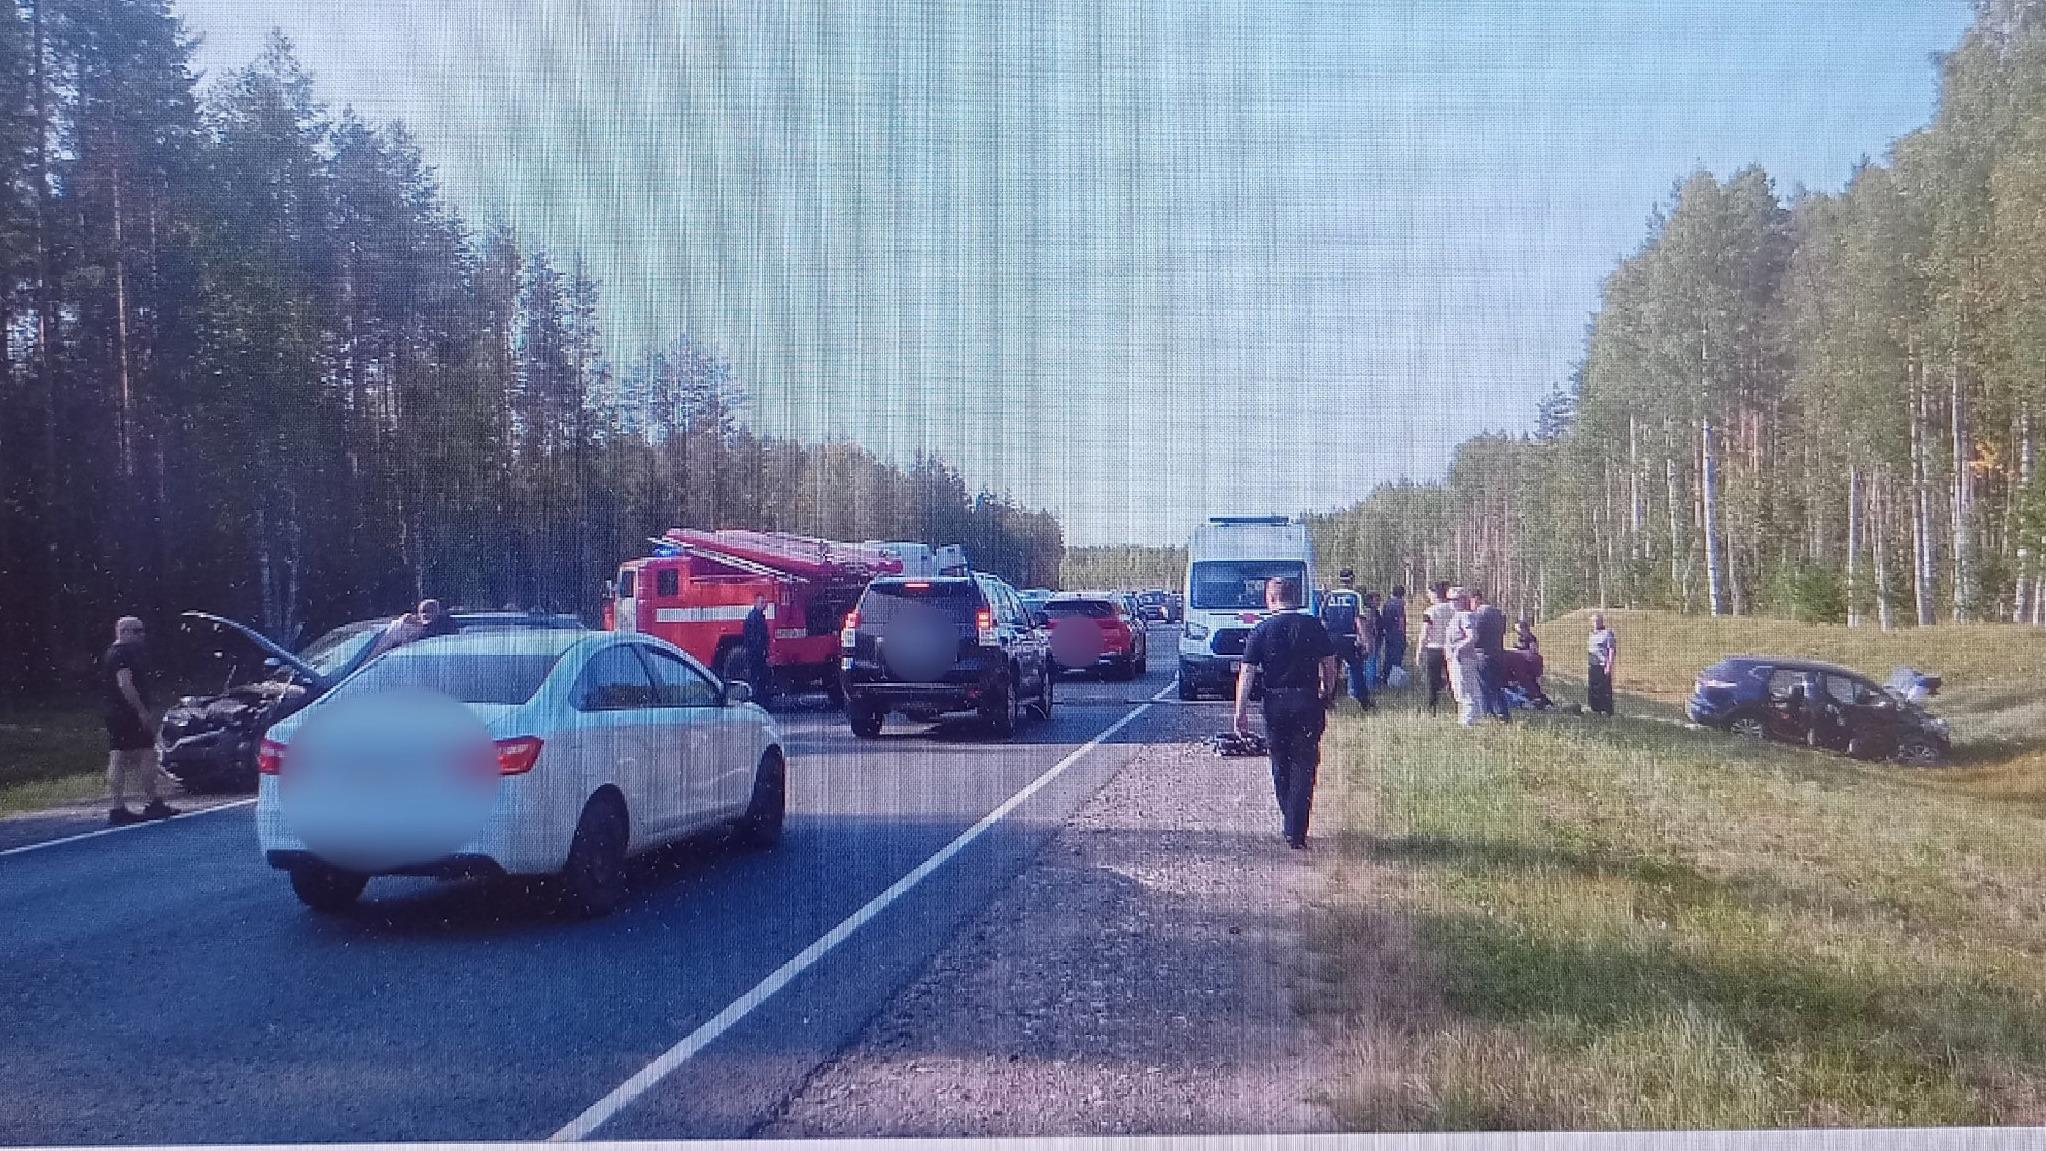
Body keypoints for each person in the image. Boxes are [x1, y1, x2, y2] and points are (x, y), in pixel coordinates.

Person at [1234, 576, 1340, 850]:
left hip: (1275, 702)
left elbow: (1247, 672)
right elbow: (1329, 662)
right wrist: (1328, 690)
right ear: (1296, 597)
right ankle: (1297, 828)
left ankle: (1289, 817)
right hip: (1307, 699)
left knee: (1280, 762)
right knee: (1305, 763)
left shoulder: (1261, 630)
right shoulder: (1313, 625)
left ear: (1270, 598)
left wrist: (1240, 710)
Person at [102, 616, 176, 826]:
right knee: (146, 754)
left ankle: (117, 807)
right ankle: (152, 802)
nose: (141, 635)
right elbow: (125, 684)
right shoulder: (121, 654)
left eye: (142, 631)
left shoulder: (115, 653)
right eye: (136, 631)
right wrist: (141, 711)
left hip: (115, 712)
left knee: (118, 755)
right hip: (127, 712)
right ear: (123, 632)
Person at [1317, 570, 1372, 711]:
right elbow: (1359, 620)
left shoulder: (1329, 596)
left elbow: (1322, 620)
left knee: (1331, 670)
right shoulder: (1355, 596)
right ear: (1352, 579)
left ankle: (1328, 699)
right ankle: (1364, 701)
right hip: (1349, 638)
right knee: (1355, 668)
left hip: (1330, 639)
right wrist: (1366, 642)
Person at [1468, 588, 1511, 724]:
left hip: (1483, 654)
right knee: (1497, 686)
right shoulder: (1497, 612)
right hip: (1498, 653)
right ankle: (1503, 714)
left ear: (1475, 599)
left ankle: (1488, 715)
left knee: (1484, 687)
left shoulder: (1478, 615)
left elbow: (1476, 636)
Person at [1446, 588, 1482, 725]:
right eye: (1450, 599)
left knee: (1464, 689)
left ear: (1463, 600)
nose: (1452, 602)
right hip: (1456, 658)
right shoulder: (1456, 616)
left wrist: (1457, 649)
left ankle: (1468, 720)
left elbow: (1472, 636)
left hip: (1463, 658)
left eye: (1455, 599)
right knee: (1459, 689)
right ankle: (1467, 718)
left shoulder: (1465, 616)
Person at [1419, 581, 1457, 713]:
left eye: (1430, 594)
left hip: (1434, 648)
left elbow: (1425, 632)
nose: (1429, 597)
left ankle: (1432, 707)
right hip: (1450, 648)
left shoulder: (1430, 611)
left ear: (1435, 594)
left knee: (1432, 680)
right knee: (1453, 677)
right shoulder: (1453, 609)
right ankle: (1457, 704)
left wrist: (1419, 650)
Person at [742, 593, 773, 704]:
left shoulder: (756, 616)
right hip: (757, 655)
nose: (764, 605)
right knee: (758, 679)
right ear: (756, 603)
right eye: (762, 602)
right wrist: (760, 653)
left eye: (765, 602)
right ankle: (758, 702)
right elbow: (754, 638)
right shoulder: (754, 618)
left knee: (758, 679)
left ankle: (758, 700)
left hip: (757, 655)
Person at [1586, 612, 1617, 716]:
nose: (1595, 623)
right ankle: (1595, 710)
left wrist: (1608, 666)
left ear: (1601, 621)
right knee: (1593, 688)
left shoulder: (1607, 633)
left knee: (1604, 689)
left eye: (1597, 621)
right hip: (1592, 665)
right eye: (1593, 621)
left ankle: (1607, 711)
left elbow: (1611, 650)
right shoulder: (1591, 634)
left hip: (1602, 665)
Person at [1377, 586, 1409, 686]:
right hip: (1397, 633)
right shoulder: (1399, 603)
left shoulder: (1387, 603)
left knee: (1388, 656)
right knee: (1397, 656)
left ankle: (1385, 677)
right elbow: (1401, 619)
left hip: (1388, 633)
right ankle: (1394, 680)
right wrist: (1403, 634)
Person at [1359, 590, 1383, 688]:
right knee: (1370, 662)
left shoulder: (1374, 611)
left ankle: (1371, 682)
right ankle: (1370, 685)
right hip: (1370, 640)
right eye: (1376, 600)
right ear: (1370, 601)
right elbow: (1370, 627)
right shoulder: (1368, 612)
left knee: (1373, 662)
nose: (1378, 602)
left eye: (1379, 600)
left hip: (1375, 639)